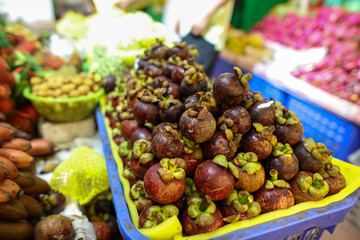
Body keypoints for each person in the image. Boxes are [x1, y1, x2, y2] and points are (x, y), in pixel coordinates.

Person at [116, 0, 235, 77]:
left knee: (196, 83)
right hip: (190, 30)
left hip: (207, 34)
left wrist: (206, 16)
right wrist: (183, 18)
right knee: (181, 79)